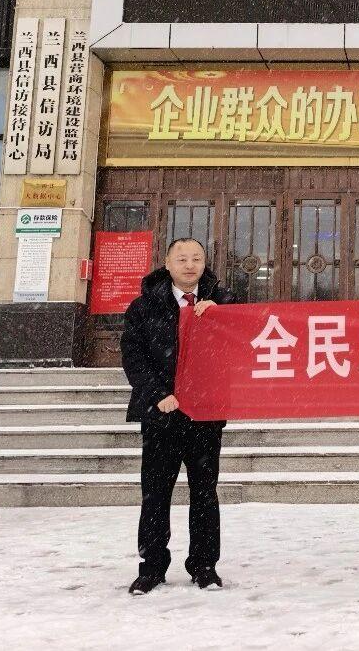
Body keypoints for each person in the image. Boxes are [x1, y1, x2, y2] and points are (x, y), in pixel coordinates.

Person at [120, 237, 231, 595]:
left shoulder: (224, 302)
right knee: (155, 495)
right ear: (167, 264)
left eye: (196, 258)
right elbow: (134, 357)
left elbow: (244, 346)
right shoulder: (144, 306)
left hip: (204, 417)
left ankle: (204, 566)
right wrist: (157, 395)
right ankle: (152, 567)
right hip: (161, 416)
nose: (190, 265)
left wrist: (221, 317)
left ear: (205, 263)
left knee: (205, 494)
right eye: (181, 259)